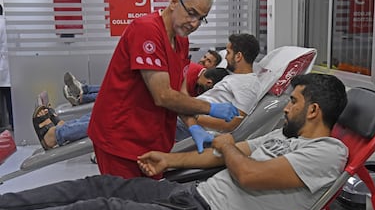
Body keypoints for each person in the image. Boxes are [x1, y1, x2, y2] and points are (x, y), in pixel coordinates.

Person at [0, 73, 348, 210]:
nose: (286, 108)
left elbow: (247, 174)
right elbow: (220, 156)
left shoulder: (328, 153)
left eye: (293, 102)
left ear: (314, 110)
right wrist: (170, 160)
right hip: (193, 196)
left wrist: (225, 144)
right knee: (99, 185)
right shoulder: (283, 135)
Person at [87, 0, 240, 179]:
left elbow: (180, 91)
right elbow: (163, 96)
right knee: (123, 205)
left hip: (152, 140)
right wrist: (210, 108)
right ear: (174, 2)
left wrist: (193, 125)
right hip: (121, 137)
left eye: (201, 18)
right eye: (191, 13)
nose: (194, 23)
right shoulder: (147, 30)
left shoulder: (182, 40)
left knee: (144, 203)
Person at [32, 65, 229, 150]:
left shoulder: (239, 88)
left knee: (119, 112)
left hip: (176, 123)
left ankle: (58, 133)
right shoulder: (202, 80)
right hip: (176, 115)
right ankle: (65, 128)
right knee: (119, 103)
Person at [175, 33, 261, 149]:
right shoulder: (233, 76)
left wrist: (194, 117)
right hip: (189, 112)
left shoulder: (248, 85)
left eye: (228, 53)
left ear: (238, 56)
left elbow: (232, 124)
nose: (225, 57)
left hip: (193, 123)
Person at [62, 63, 229, 106]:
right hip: (150, 88)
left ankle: (83, 93)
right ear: (209, 82)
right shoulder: (190, 78)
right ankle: (83, 95)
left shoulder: (195, 72)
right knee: (116, 93)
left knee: (115, 91)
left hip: (151, 84)